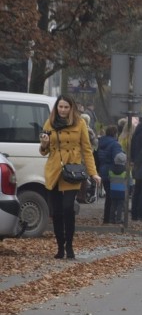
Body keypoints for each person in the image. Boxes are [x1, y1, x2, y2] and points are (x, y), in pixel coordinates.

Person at [38, 94, 101, 259]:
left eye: (66, 107)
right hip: (54, 170)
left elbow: (87, 149)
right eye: (60, 107)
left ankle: (70, 245)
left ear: (71, 108)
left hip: (72, 171)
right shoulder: (50, 123)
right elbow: (44, 151)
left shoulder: (80, 123)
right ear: (56, 108)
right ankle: (60, 247)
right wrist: (44, 144)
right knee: (57, 211)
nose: (63, 110)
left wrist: (93, 172)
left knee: (68, 208)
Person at [96, 125, 123, 225]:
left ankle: (107, 217)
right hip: (113, 171)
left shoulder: (101, 143)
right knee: (113, 196)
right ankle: (111, 217)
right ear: (115, 133)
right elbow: (118, 158)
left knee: (109, 195)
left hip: (103, 170)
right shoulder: (115, 144)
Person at [108, 152, 130, 224]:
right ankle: (118, 219)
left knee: (113, 204)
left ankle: (111, 219)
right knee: (120, 205)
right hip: (122, 190)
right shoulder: (126, 171)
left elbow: (109, 178)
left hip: (113, 190)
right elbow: (129, 181)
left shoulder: (111, 170)